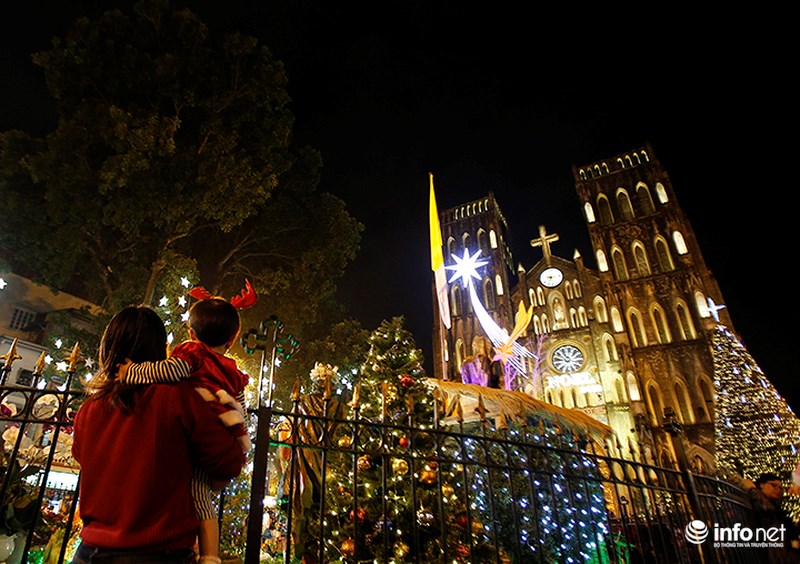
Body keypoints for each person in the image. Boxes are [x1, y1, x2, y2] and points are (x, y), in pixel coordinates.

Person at [71, 305, 246, 564]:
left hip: (90, 552)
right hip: (157, 553)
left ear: (106, 350)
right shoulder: (175, 398)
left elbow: (83, 460)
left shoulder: (89, 410)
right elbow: (229, 460)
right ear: (160, 349)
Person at [120, 282, 255, 564]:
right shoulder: (233, 371)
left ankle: (208, 557)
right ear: (231, 340)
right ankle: (203, 552)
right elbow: (240, 407)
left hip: (193, 437)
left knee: (199, 499)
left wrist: (131, 371)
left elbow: (170, 369)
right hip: (221, 436)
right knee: (201, 497)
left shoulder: (192, 355)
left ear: (191, 333)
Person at [742, 472, 800, 564]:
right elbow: (765, 508)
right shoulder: (758, 500)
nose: (778, 489)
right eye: (774, 485)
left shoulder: (776, 508)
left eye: (780, 488)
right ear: (762, 485)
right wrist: (753, 489)